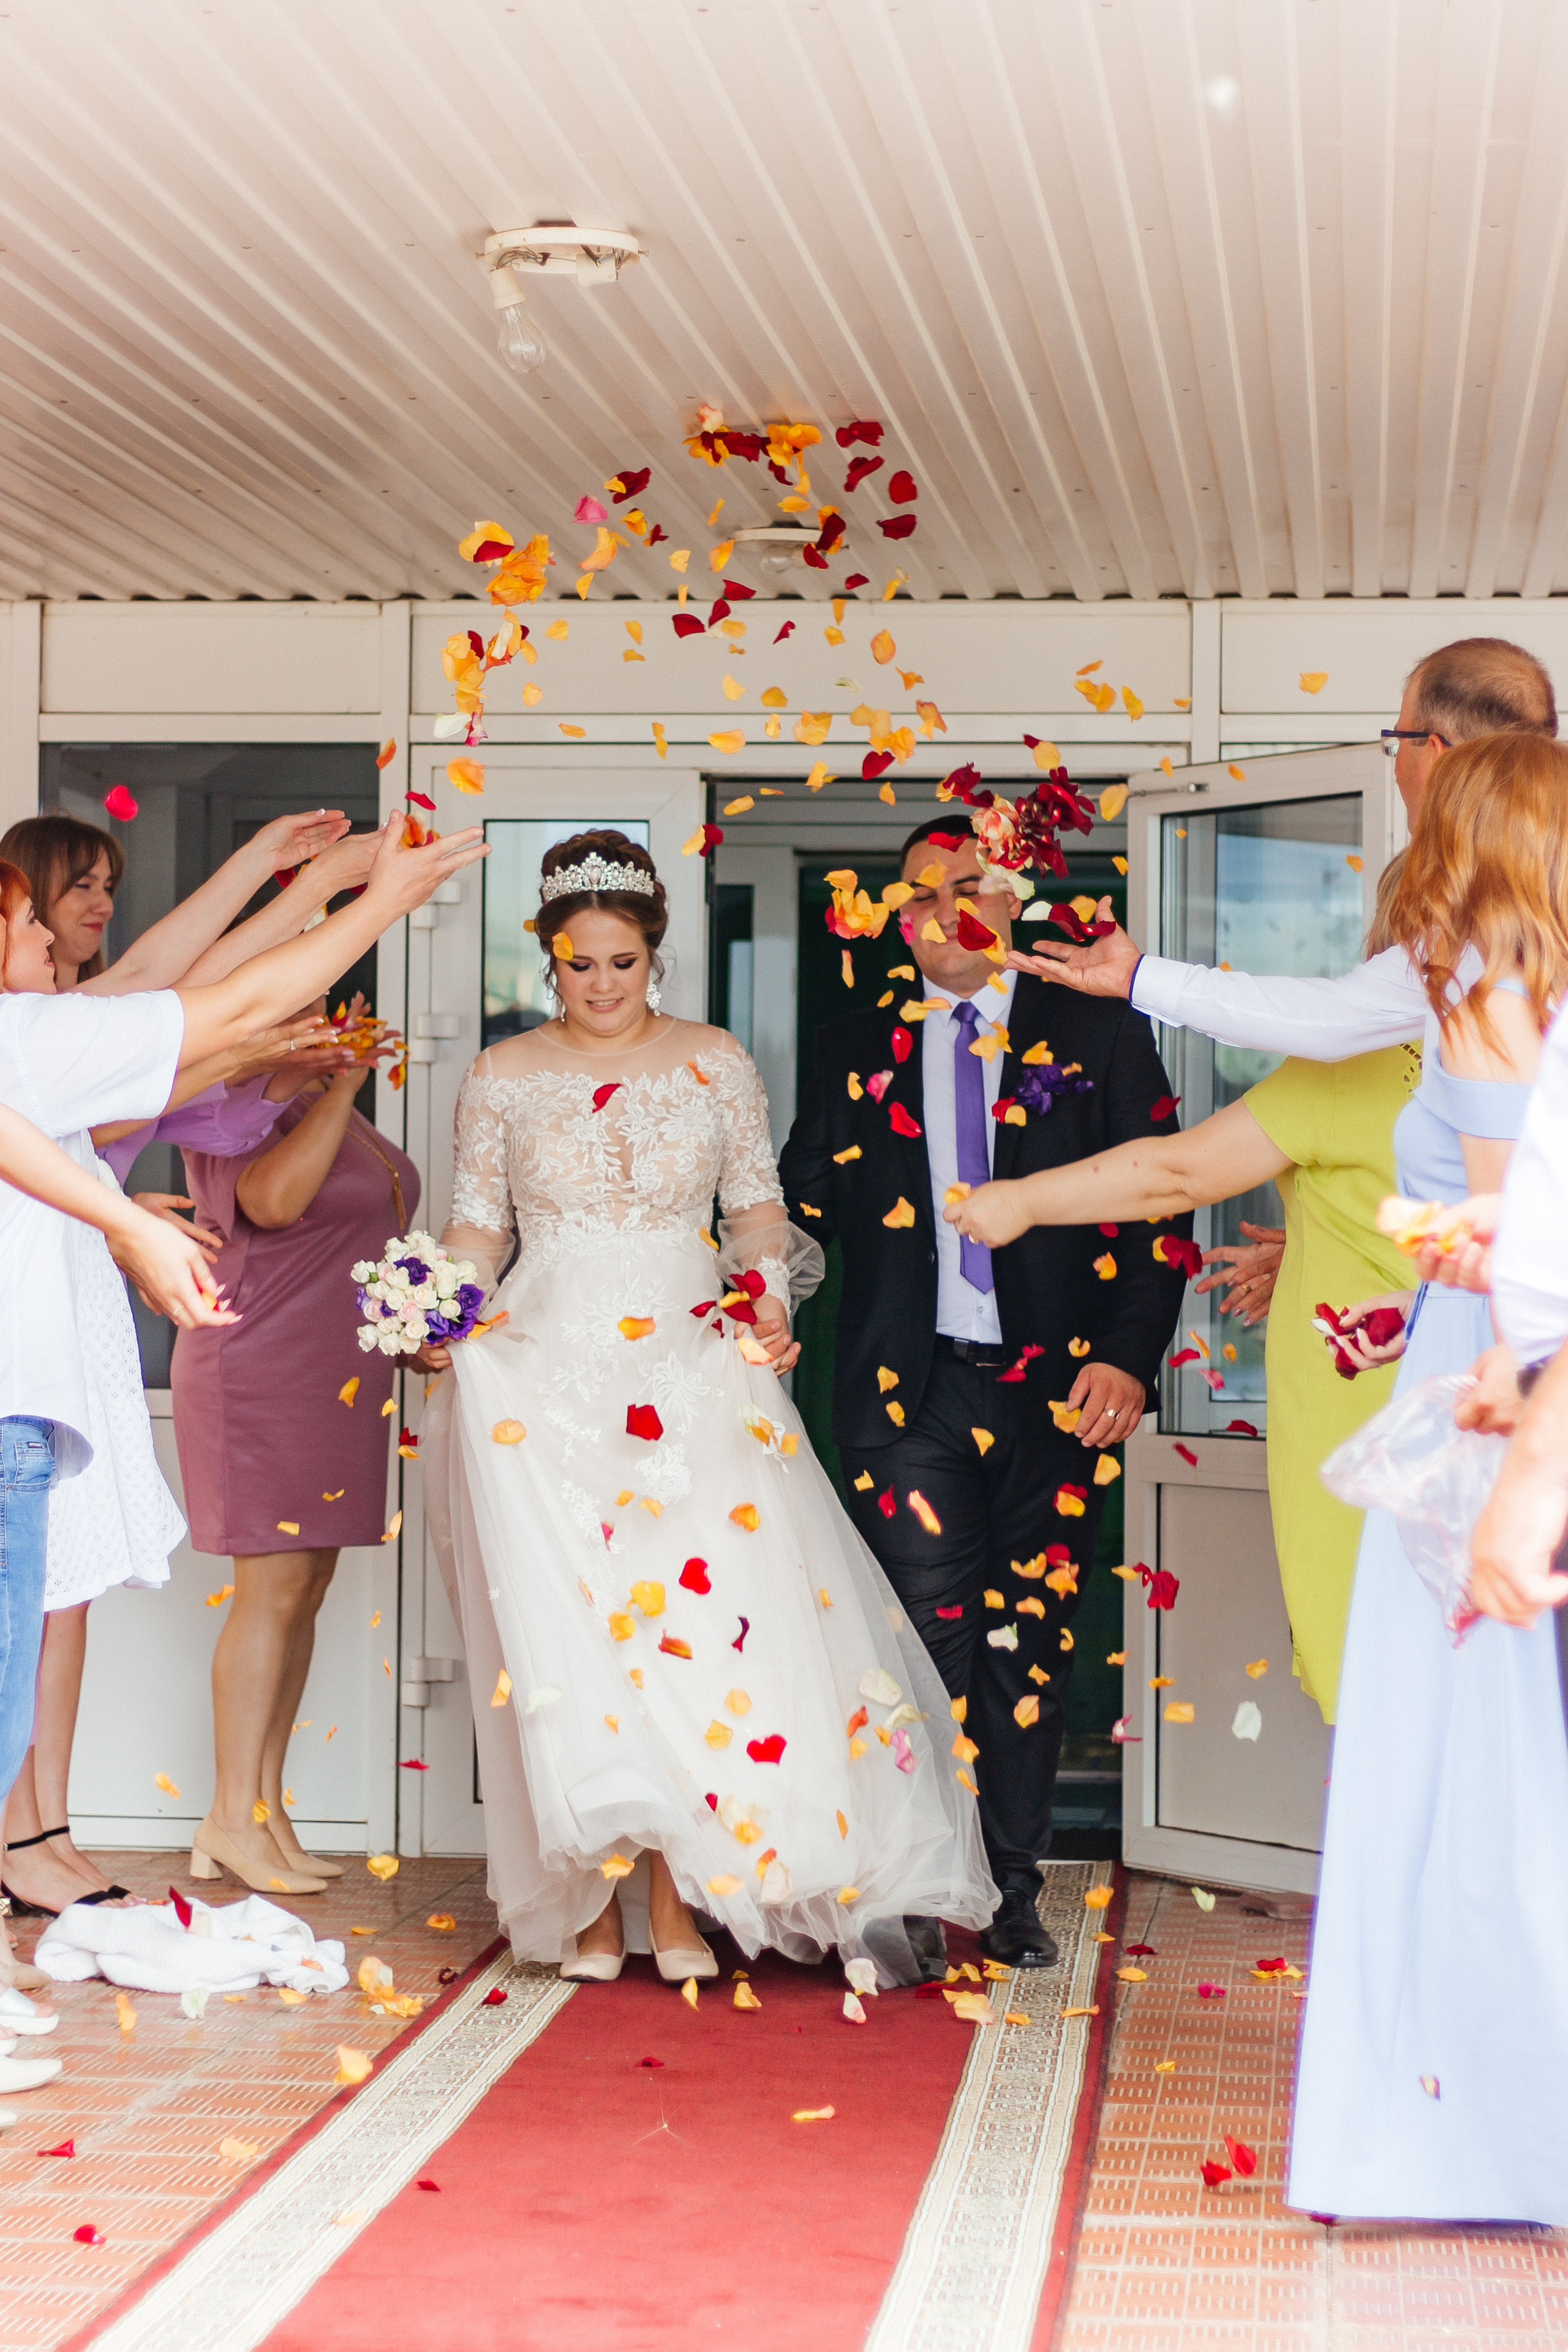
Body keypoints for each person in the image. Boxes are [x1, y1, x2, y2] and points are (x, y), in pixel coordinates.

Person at [418, 829, 994, 1990]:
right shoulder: (504, 1073)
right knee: (581, 1632)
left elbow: (757, 1211)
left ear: (655, 956)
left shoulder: (715, 1061)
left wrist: (762, 1306)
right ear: (550, 960)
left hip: (692, 1362)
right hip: (550, 1376)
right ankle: (592, 1908)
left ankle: (680, 1901)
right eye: (579, 965)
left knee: (701, 1624)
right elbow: (481, 1223)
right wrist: (442, 1312)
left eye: (621, 963)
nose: (601, 985)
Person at [0, 816, 485, 2016]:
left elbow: (171, 983)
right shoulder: (27, 1036)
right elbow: (213, 1005)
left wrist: (308, 878)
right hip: (33, 1379)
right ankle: (50, 1839)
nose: (56, 943)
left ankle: (37, 1837)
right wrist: (372, 901)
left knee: (43, 1636)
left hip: (46, 1381)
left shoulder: (37, 1033)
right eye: (31, 922)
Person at [778, 815, 1189, 1968]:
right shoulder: (853, 1042)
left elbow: (1160, 1205)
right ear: (895, 922)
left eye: (962, 887)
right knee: (920, 1637)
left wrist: (1127, 1355)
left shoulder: (1097, 1031)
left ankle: (1009, 1888)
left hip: (1060, 1392)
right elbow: (803, 1201)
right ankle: (917, 1881)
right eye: (914, 897)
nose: (937, 914)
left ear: (1009, 901)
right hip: (912, 1393)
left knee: (1028, 1644)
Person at [1270, 733, 1568, 2223]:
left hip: (1493, 1366)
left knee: (1451, 1746)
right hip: (1499, 1343)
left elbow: (1515, 1214)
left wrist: (1446, 1239)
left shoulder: (1477, 988)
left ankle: (1451, 2124)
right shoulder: (1546, 978)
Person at [948, 863, 1420, 1722]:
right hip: (1496, 1404)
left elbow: (1175, 1172)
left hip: (1371, 1413)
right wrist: (1322, 1243)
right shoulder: (1524, 1069)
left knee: (1384, 1685)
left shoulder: (1351, 1069)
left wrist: (1020, 1200)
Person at [1018, 634, 1556, 1055]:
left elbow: (1329, 1021)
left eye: (1397, 742)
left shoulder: (1479, 927)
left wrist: (1137, 977)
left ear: (1433, 753)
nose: (1396, 771)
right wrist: (1139, 977)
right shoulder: (1514, 901)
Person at [173, 1005, 416, 1896]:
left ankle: (261, 1810)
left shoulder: (316, 1092)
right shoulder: (232, 1089)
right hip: (261, 1359)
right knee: (269, 1589)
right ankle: (231, 1815)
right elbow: (271, 1203)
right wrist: (347, 1078)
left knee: (305, 1587)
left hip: (332, 1369)